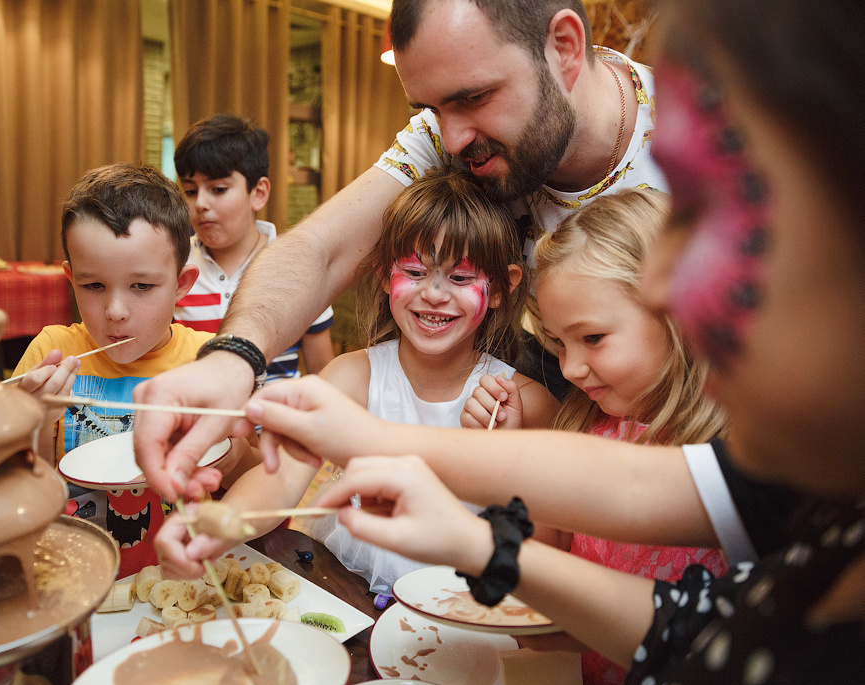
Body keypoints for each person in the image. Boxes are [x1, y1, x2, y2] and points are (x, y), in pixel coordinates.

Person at [238, 0, 865, 683]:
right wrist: (473, 537)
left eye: (704, 208)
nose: (659, 285)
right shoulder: (798, 489)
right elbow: (684, 610)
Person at [131, 0, 669, 503]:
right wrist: (234, 358)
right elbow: (321, 248)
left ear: (565, 48)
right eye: (433, 109)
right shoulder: (444, 136)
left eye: (474, 97)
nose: (453, 140)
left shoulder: (701, 154)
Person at [155, 167, 559, 592]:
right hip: (350, 585)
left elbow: (550, 541)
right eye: (416, 272)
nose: (435, 294)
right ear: (385, 274)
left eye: (460, 277)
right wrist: (221, 527)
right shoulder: (351, 377)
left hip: (469, 606)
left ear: (500, 288)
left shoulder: (524, 403)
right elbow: (284, 477)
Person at [467, 188, 728, 685]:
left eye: (592, 338)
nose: (571, 368)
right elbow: (547, 559)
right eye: (557, 343)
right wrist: (511, 457)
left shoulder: (731, 457)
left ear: (677, 312)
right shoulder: (585, 423)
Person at [11, 163, 258, 578]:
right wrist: (34, 423)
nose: (116, 312)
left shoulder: (208, 363)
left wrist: (227, 453)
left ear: (182, 284)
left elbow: (258, 477)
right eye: (93, 287)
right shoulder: (50, 352)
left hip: (180, 581)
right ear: (71, 279)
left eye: (142, 286)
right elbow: (17, 492)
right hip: (74, 578)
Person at [172, 114, 335, 382]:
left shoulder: (297, 266)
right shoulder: (175, 265)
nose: (200, 203)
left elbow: (324, 376)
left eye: (218, 189)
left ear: (258, 193)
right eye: (190, 191)